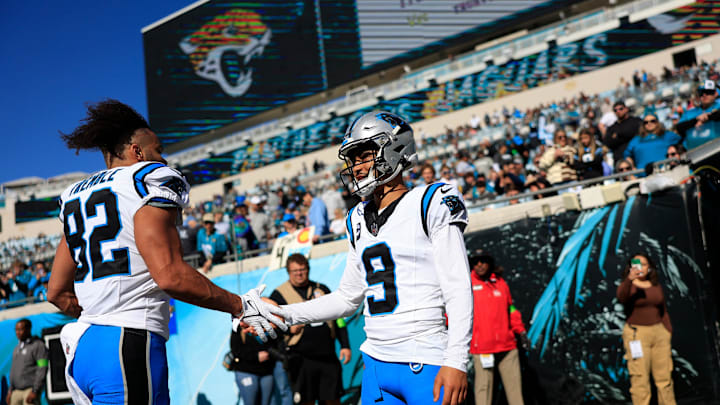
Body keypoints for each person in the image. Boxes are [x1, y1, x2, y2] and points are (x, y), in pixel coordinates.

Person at [47, 99, 287, 405]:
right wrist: (240, 305)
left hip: (84, 350)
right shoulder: (146, 179)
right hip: (127, 344)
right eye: (158, 149)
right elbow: (170, 275)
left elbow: (55, 292)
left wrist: (102, 314)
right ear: (138, 152)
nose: (162, 158)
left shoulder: (74, 196)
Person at [266, 111, 473, 405]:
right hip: (376, 364)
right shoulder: (356, 219)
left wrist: (456, 360)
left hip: (425, 360)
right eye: (354, 159)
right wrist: (284, 314)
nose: (358, 167)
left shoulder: (429, 202)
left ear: (395, 148)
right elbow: (347, 299)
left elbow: (458, 289)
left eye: (365, 155)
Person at [270, 254, 351, 405]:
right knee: (305, 400)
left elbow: (339, 319)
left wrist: (345, 345)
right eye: (295, 271)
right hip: (301, 359)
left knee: (333, 398)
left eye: (303, 269)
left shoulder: (322, 289)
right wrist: (288, 330)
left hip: (327, 356)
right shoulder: (278, 295)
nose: (299, 274)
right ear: (288, 272)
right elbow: (271, 326)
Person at [616, 254, 676, 405]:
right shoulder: (629, 286)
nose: (640, 267)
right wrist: (630, 278)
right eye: (636, 264)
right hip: (637, 334)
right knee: (640, 379)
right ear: (631, 267)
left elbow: (663, 309)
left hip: (659, 333)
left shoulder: (655, 285)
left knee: (664, 378)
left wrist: (667, 330)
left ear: (649, 268)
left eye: (644, 264)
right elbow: (621, 297)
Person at [468, 255, 528, 405]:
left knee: (515, 393)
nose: (480, 265)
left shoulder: (501, 283)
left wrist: (520, 331)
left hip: (507, 346)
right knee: (483, 392)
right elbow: (454, 312)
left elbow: (511, 309)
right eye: (476, 262)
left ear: (490, 263)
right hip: (482, 348)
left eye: (483, 261)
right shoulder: (466, 284)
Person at [229, 328, 275, 405]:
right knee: (251, 402)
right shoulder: (238, 327)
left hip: (266, 371)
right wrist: (256, 356)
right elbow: (236, 350)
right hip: (246, 371)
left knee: (267, 402)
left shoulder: (265, 323)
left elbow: (275, 343)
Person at [7, 319, 48, 405]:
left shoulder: (38, 345)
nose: (18, 332)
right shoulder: (17, 348)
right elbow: (14, 370)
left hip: (30, 391)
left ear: (28, 329)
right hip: (16, 392)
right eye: (16, 330)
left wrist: (35, 390)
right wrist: (10, 390)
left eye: (20, 329)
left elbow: (42, 368)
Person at [677, 80, 720, 149]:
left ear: (715, 93)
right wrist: (696, 120)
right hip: (697, 150)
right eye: (701, 93)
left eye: (708, 92)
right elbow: (679, 127)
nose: (704, 95)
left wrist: (707, 118)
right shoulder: (690, 112)